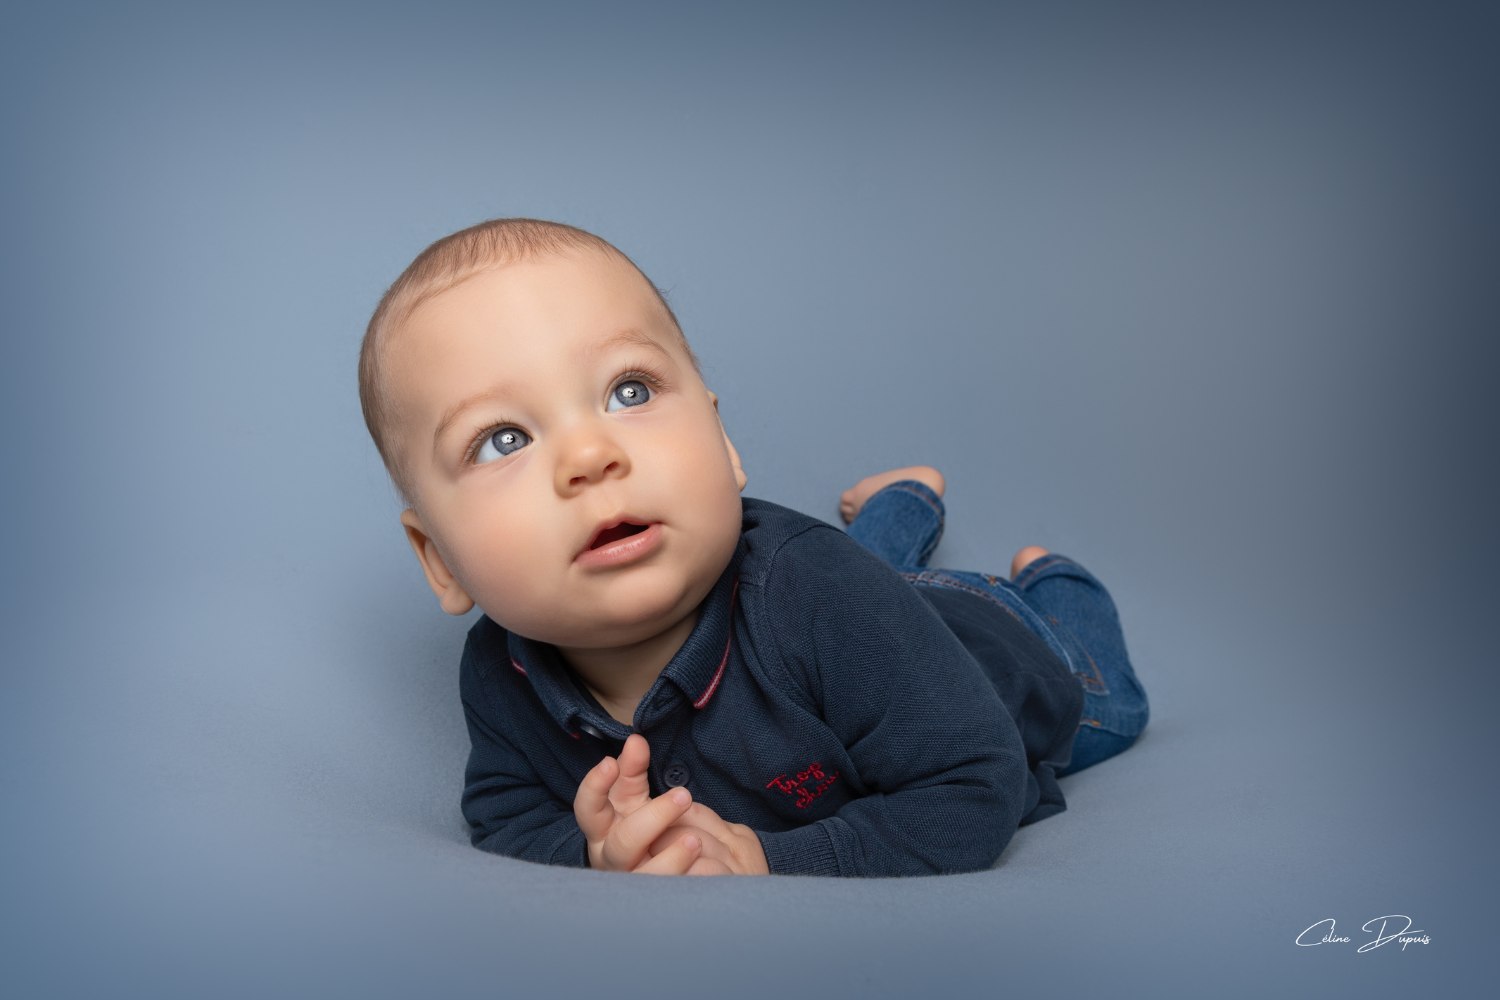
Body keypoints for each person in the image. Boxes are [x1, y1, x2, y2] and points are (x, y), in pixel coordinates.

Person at [357, 218, 1150, 877]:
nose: (588, 457)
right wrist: (595, 854)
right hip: (864, 616)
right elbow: (506, 815)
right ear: (440, 561)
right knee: (870, 582)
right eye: (503, 439)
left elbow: (974, 785)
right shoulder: (501, 670)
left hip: (993, 643)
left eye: (629, 391)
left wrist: (770, 859)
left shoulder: (820, 594)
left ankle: (1051, 579)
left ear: (726, 446)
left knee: (1106, 706)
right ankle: (899, 506)